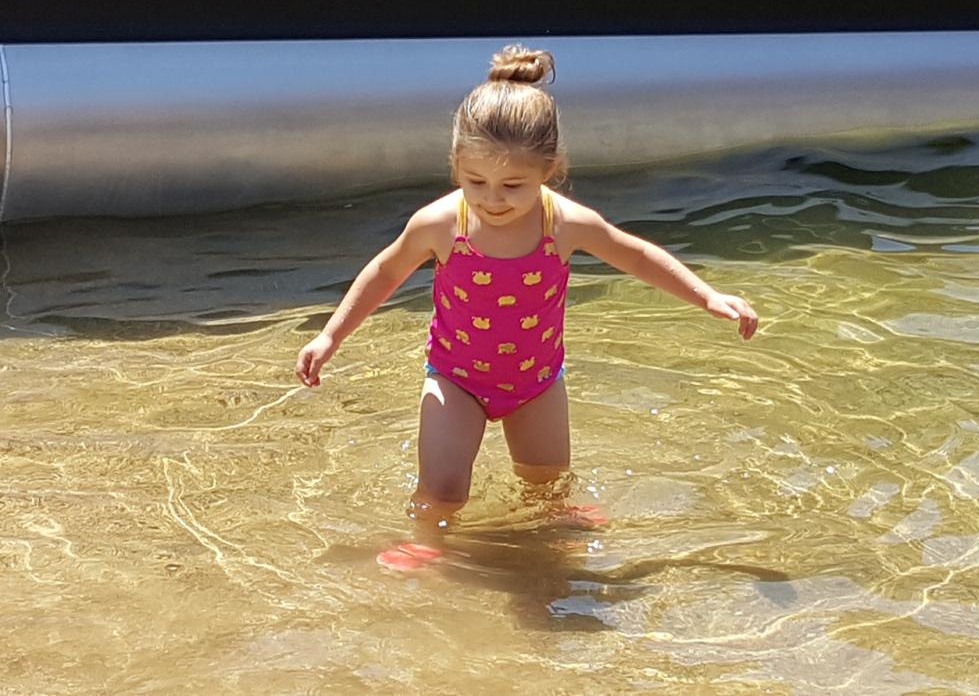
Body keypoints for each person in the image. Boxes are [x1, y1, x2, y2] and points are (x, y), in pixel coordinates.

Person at [294, 45, 759, 571]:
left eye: (513, 185)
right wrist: (330, 336)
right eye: (475, 182)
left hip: (535, 381)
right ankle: (428, 540)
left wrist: (707, 296)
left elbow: (635, 254)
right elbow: (386, 271)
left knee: (546, 481)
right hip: (456, 379)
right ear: (456, 168)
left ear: (550, 169)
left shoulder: (563, 223)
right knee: (442, 490)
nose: (492, 198)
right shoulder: (442, 223)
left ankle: (554, 515)